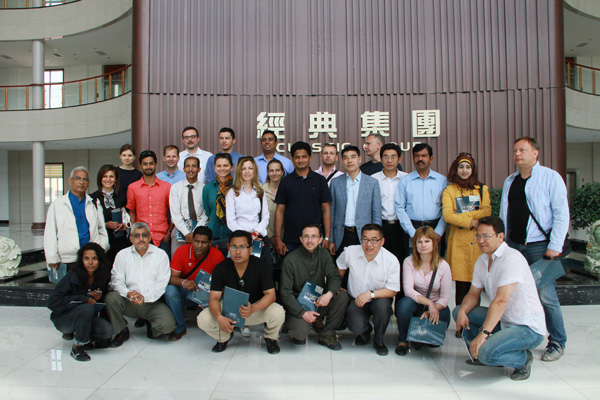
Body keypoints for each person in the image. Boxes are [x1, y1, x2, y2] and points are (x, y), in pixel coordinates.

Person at [499, 136, 569, 362]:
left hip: (540, 247)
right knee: (515, 294)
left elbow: (561, 213)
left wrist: (555, 246)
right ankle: (519, 338)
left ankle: (557, 342)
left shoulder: (550, 177)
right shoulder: (510, 180)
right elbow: (504, 214)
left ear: (535, 153)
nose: (517, 154)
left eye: (522, 150)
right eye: (515, 151)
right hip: (514, 246)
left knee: (546, 296)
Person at [454, 216, 546, 381]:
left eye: (486, 236)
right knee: (459, 312)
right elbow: (473, 294)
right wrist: (462, 310)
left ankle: (523, 359)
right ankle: (484, 352)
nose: (481, 240)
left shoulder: (512, 258)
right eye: (478, 236)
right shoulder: (482, 260)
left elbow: (501, 301)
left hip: (526, 327)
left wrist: (483, 334)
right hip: (503, 320)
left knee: (486, 353)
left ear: (500, 237)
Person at [197, 230, 285, 354]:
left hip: (254, 309)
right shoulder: (220, 268)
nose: (238, 252)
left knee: (278, 312)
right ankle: (224, 337)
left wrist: (253, 308)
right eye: (234, 247)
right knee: (203, 318)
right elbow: (214, 298)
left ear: (250, 249)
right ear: (228, 247)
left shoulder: (261, 266)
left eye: (242, 247)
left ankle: (271, 338)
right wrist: (219, 317)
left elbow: (271, 295)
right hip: (229, 311)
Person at [105, 222, 176, 347]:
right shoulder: (122, 255)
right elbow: (116, 280)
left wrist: (145, 297)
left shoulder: (160, 255)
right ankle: (121, 330)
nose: (141, 239)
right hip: (128, 301)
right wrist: (128, 293)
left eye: (144, 235)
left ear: (150, 237)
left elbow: (162, 283)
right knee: (111, 298)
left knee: (167, 326)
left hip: (151, 303)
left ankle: (150, 324)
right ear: (131, 239)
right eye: (136, 236)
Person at [280, 224, 348, 350]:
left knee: (342, 295)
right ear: (301, 239)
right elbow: (285, 292)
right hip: (298, 305)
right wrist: (302, 313)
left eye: (314, 236)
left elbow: (334, 277)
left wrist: (329, 294)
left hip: (318, 301)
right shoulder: (290, 260)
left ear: (320, 239)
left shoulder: (324, 255)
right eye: (306, 236)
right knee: (299, 335)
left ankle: (327, 333)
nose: (310, 240)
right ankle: (292, 324)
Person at [337, 224, 400, 356]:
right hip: (357, 299)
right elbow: (340, 265)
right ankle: (365, 331)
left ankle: (379, 341)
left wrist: (370, 294)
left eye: (374, 240)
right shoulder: (350, 252)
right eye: (365, 239)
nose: (369, 244)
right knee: (355, 325)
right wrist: (338, 284)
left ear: (382, 241)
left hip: (379, 298)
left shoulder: (391, 260)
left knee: (383, 307)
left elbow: (393, 290)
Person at [47, 242, 114, 361]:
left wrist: (97, 299)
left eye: (94, 259)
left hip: (87, 318)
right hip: (65, 319)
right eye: (86, 259)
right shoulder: (73, 275)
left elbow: (100, 305)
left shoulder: (102, 276)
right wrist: (83, 299)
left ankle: (86, 339)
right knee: (86, 307)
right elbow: (52, 301)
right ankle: (77, 347)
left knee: (107, 331)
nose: (90, 262)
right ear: (81, 260)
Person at [442, 153, 491, 308]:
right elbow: (448, 215)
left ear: (473, 169)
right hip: (459, 244)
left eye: (468, 167)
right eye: (461, 167)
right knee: (461, 287)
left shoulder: (482, 189)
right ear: (455, 169)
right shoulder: (450, 190)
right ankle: (460, 319)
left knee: (476, 286)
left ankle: (473, 319)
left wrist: (460, 215)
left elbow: (486, 212)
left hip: (478, 244)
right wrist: (472, 221)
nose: (464, 170)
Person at [394, 226, 452, 356]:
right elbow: (408, 290)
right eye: (419, 242)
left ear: (434, 243)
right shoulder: (408, 262)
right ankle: (403, 340)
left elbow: (444, 298)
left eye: (427, 241)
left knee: (443, 314)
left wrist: (433, 307)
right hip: (416, 302)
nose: (423, 245)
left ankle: (424, 338)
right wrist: (428, 303)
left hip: (436, 304)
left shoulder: (443, 265)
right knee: (404, 305)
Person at [164, 226, 225, 341]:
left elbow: (222, 284)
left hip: (208, 294)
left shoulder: (217, 255)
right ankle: (180, 327)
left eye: (204, 242)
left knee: (223, 296)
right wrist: (184, 282)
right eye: (196, 241)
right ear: (192, 240)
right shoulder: (181, 251)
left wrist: (212, 296)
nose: (199, 246)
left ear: (210, 242)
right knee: (170, 291)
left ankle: (214, 324)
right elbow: (171, 279)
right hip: (187, 291)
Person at [44, 166, 109, 270]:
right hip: (68, 259)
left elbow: (101, 229)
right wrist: (52, 257)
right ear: (70, 181)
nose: (81, 182)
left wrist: (101, 248)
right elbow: (50, 232)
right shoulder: (58, 204)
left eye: (85, 179)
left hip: (91, 258)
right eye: (78, 178)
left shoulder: (94, 203)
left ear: (88, 183)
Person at [273, 141, 332, 254]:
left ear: (310, 158)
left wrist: (327, 237)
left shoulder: (320, 180)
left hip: (314, 239)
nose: (301, 160)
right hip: (290, 240)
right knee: (290, 265)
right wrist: (278, 238)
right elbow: (280, 211)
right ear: (292, 159)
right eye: (297, 157)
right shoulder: (285, 182)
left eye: (304, 157)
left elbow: (326, 210)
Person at [395, 143, 448, 255]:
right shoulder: (405, 181)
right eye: (417, 156)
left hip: (435, 228)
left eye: (424, 156)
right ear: (413, 158)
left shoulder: (442, 181)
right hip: (413, 228)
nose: (420, 159)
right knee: (413, 262)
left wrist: (439, 231)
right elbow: (399, 207)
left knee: (435, 262)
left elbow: (447, 208)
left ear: (431, 158)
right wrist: (412, 232)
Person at [329, 145, 382, 257]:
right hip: (341, 235)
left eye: (353, 157)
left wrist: (375, 239)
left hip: (364, 236)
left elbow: (376, 214)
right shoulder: (335, 183)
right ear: (342, 161)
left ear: (359, 159)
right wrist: (331, 240)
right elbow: (331, 213)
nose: (349, 161)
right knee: (341, 266)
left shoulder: (372, 183)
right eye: (346, 157)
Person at [225, 156, 272, 271]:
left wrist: (255, 234)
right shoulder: (232, 192)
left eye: (250, 168)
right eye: (243, 168)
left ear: (254, 170)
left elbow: (265, 217)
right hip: (240, 240)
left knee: (264, 273)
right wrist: (246, 236)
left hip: (259, 238)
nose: (247, 171)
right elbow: (231, 221)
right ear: (239, 171)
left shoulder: (260, 191)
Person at [126, 150, 172, 256]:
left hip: (162, 238)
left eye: (151, 163)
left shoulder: (166, 187)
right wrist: (133, 233)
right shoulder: (133, 187)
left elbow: (173, 211)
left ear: (155, 164)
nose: (148, 167)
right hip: (141, 237)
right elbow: (132, 212)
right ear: (140, 166)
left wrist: (169, 233)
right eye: (145, 164)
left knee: (163, 266)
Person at [372, 143, 409, 274]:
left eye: (393, 157)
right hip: (381, 226)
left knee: (402, 261)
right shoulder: (373, 179)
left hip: (401, 227)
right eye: (386, 157)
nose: (389, 160)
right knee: (380, 263)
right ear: (381, 159)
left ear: (399, 159)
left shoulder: (406, 178)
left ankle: (401, 288)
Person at [90, 164, 130, 264]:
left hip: (120, 241)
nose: (108, 179)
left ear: (115, 179)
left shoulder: (121, 197)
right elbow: (90, 221)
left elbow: (127, 216)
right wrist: (105, 224)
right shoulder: (93, 198)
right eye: (105, 176)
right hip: (102, 242)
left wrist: (124, 225)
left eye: (111, 176)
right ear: (100, 179)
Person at [169, 156, 209, 256]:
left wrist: (195, 233)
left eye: (194, 166)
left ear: (199, 169)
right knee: (178, 258)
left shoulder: (204, 188)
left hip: (200, 230)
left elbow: (205, 213)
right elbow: (175, 214)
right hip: (180, 230)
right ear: (184, 169)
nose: (190, 169)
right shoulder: (175, 188)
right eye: (187, 166)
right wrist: (186, 233)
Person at [202, 153, 234, 254]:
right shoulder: (207, 188)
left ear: (232, 167)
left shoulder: (237, 187)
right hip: (214, 233)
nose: (222, 168)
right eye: (219, 166)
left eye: (225, 165)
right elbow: (208, 211)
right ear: (214, 168)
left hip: (232, 234)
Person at [262, 158, 284, 239]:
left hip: (286, 238)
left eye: (277, 170)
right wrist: (271, 237)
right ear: (268, 173)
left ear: (282, 172)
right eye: (271, 171)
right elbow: (259, 218)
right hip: (266, 238)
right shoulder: (261, 192)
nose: (274, 173)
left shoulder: (288, 191)